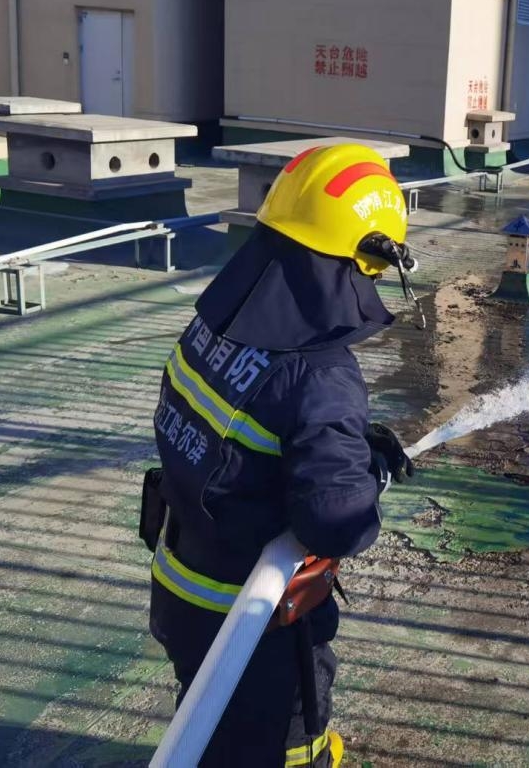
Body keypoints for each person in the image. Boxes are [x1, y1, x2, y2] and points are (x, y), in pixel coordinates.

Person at [142, 143, 416, 767]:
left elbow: (244, 439)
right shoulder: (321, 376)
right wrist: (361, 476)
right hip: (254, 619)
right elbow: (336, 521)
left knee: (205, 717)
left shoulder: (215, 321)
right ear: (367, 260)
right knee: (282, 745)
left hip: (182, 582)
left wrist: (343, 444)